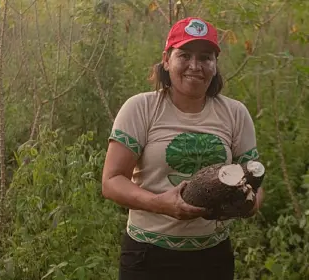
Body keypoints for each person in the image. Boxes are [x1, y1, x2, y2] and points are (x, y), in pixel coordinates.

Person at [101, 16, 264, 280]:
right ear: (167, 60)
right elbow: (111, 181)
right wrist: (159, 204)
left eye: (206, 57)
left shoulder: (235, 113)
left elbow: (256, 187)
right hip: (148, 256)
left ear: (215, 64)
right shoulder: (140, 108)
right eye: (184, 55)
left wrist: (247, 206)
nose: (195, 66)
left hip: (212, 257)